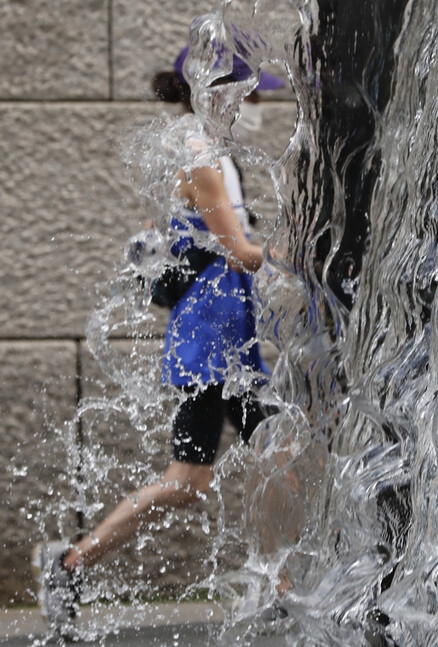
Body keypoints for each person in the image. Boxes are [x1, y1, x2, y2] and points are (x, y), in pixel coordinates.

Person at [31, 44, 284, 639]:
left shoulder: (209, 151)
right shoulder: (201, 158)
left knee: (278, 454)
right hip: (209, 338)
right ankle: (69, 563)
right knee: (187, 482)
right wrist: (304, 251)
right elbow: (242, 253)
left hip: (229, 331)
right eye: (245, 90)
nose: (252, 102)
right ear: (215, 91)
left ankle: (280, 586)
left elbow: (182, 237)